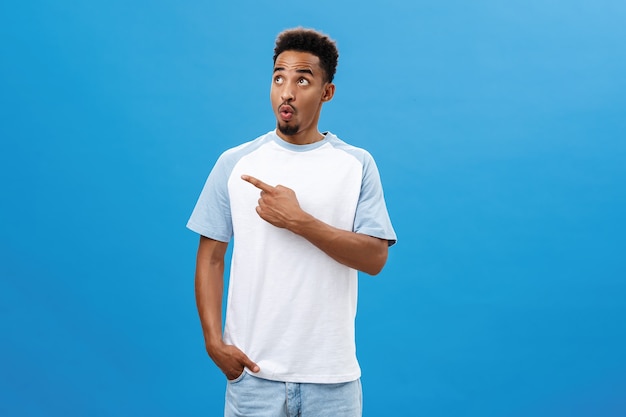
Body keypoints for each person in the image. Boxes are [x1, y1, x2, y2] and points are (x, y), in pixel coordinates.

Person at [187, 27, 397, 417]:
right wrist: (214, 343)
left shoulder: (356, 164)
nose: (287, 91)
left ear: (326, 92)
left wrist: (299, 221)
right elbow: (211, 257)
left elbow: (374, 259)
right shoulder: (235, 163)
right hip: (253, 378)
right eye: (279, 77)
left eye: (303, 80)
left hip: (333, 381)